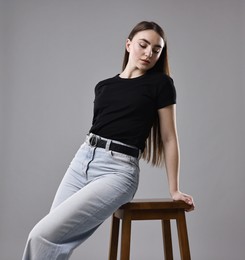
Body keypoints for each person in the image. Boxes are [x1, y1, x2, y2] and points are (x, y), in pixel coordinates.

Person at [22, 21, 195, 260]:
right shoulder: (103, 87)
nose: (148, 53)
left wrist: (173, 189)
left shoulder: (161, 84)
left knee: (41, 235)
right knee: (52, 241)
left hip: (118, 171)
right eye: (143, 45)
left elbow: (169, 138)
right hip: (82, 160)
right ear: (128, 44)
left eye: (156, 50)